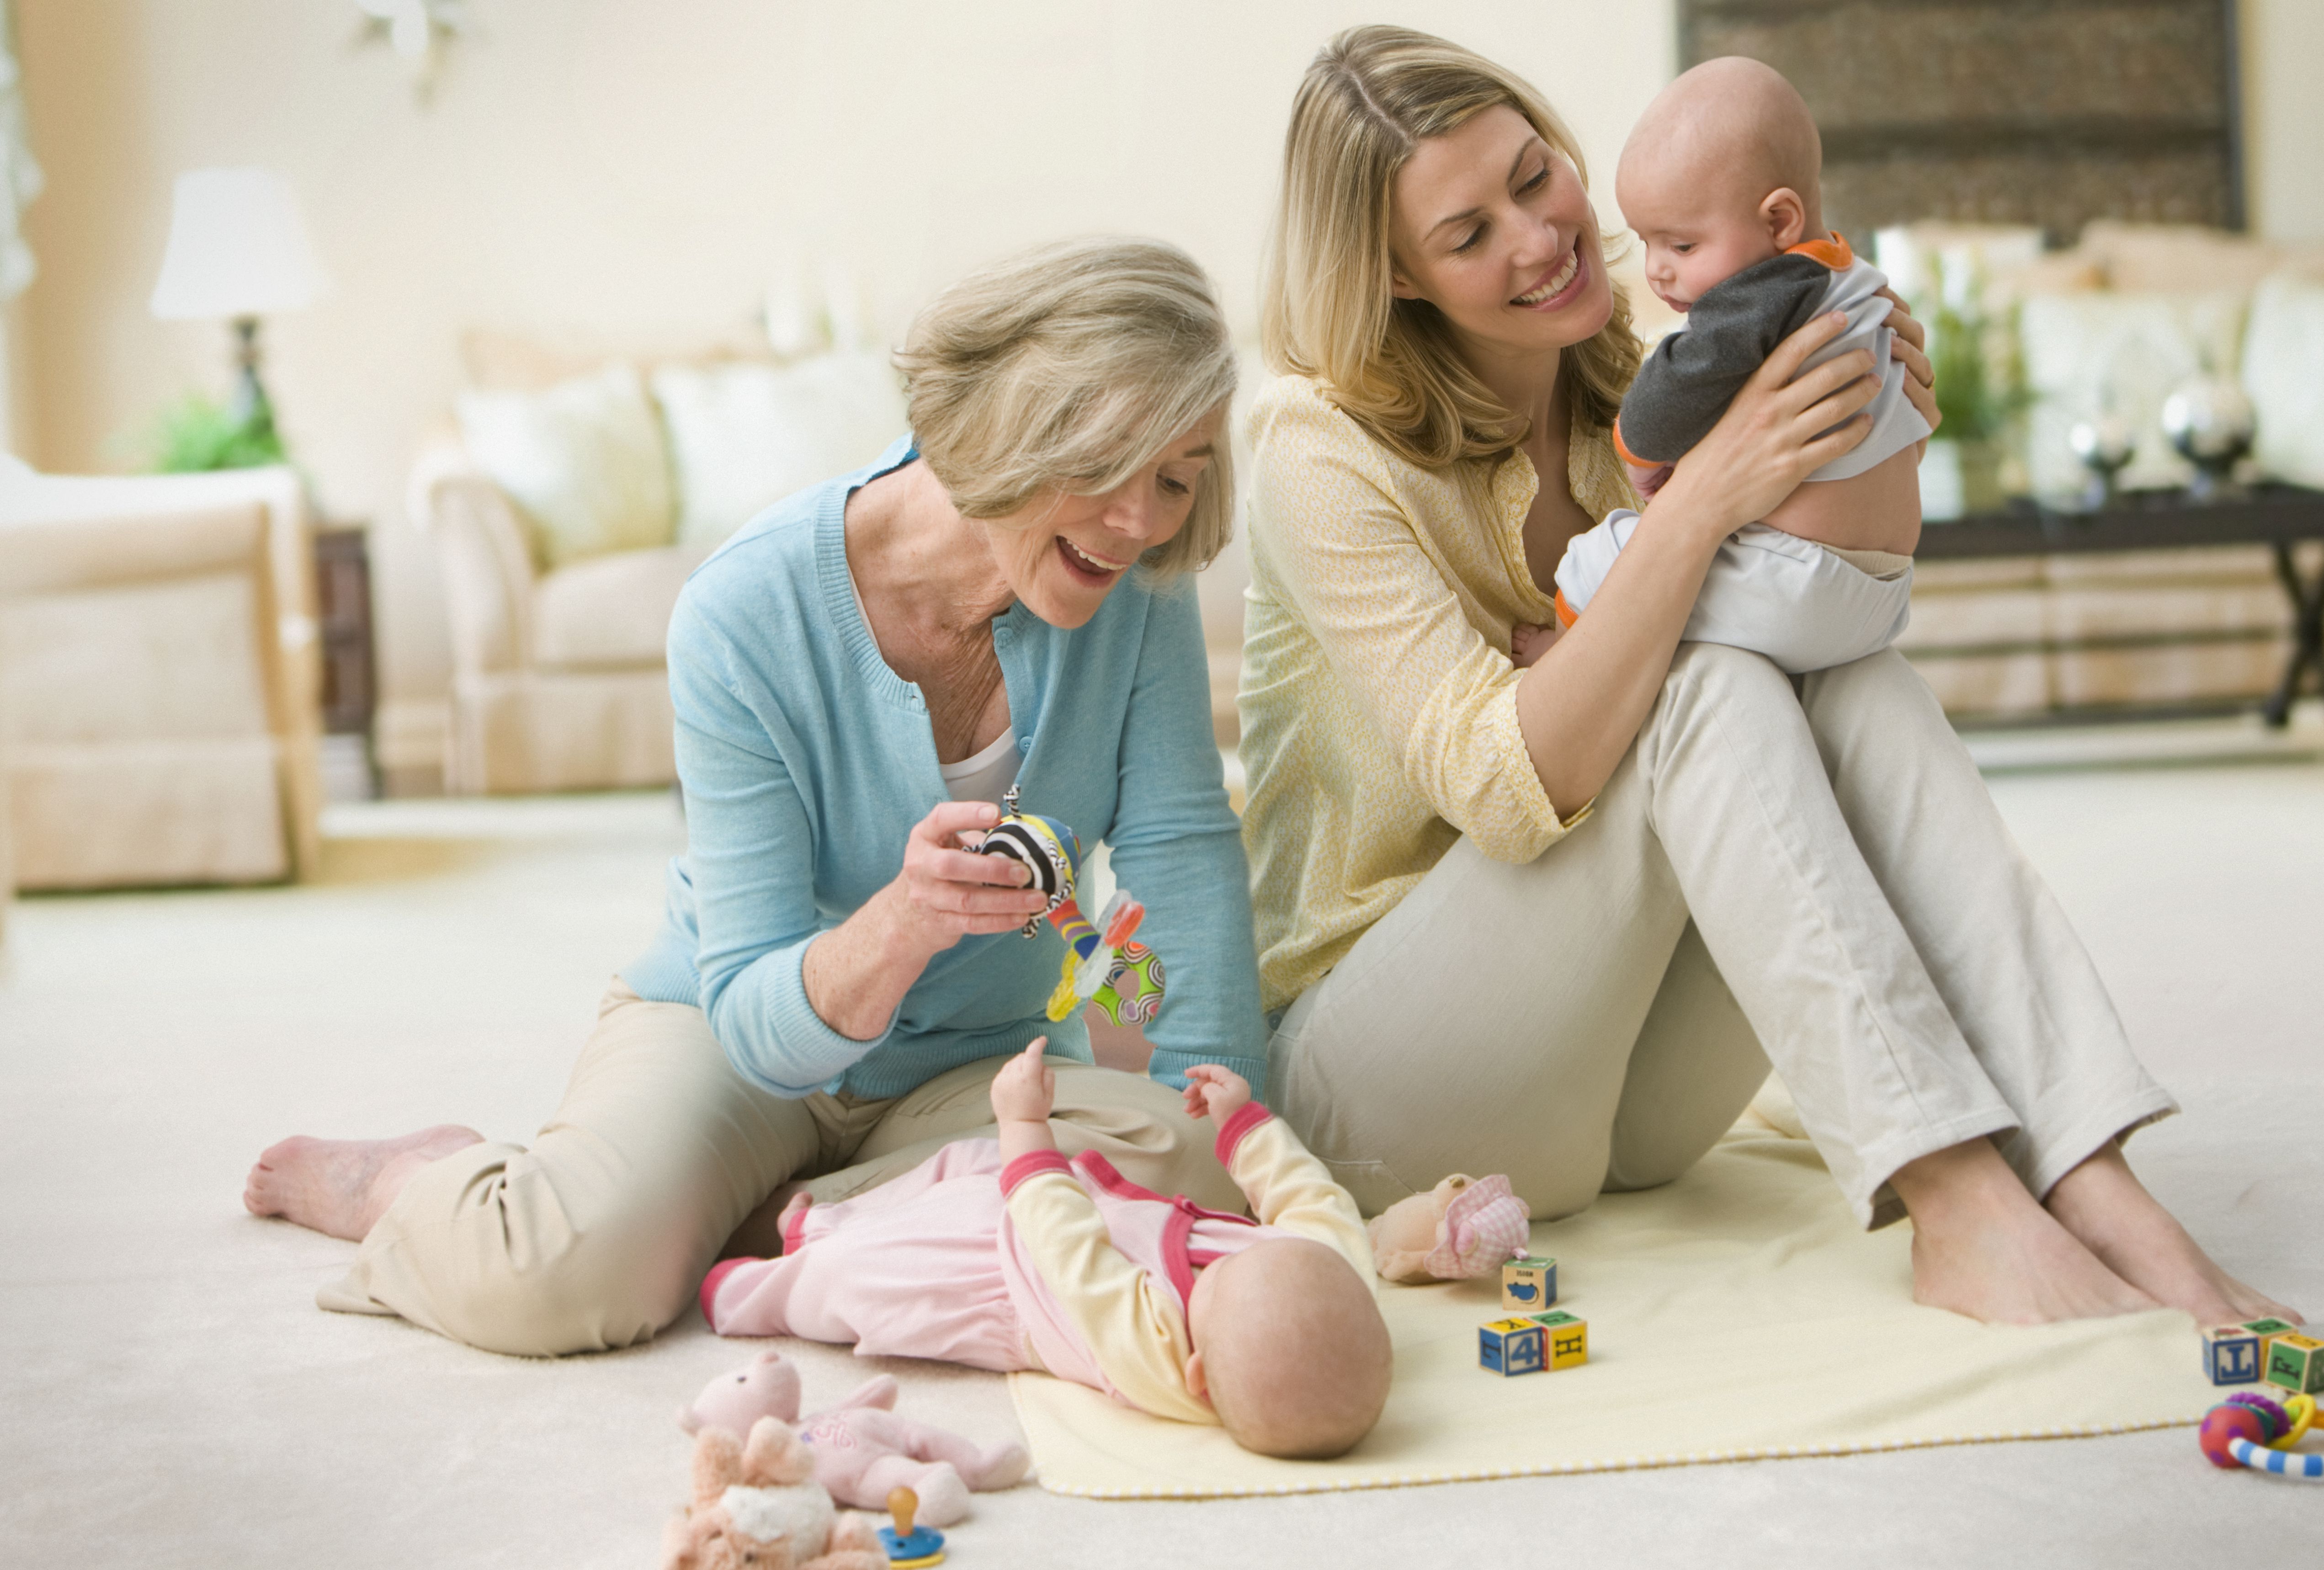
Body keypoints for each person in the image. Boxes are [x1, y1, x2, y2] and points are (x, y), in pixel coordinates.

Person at [1238, 25, 2295, 1328]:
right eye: (1466, 236)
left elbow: (1839, 600)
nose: (1536, 236)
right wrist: (1710, 500)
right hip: (1386, 1095)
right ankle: (1955, 1202)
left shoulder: (1645, 371)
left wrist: (1879, 430)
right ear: (1394, 279)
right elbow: (1504, 790)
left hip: (1624, 1110)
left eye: (1532, 174)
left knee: (1859, 684)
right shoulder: (1312, 441)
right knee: (1703, 680)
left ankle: (2087, 1169)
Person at [244, 238, 1271, 1357]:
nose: (1139, 519)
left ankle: (749, 1215)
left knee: (1175, 1166)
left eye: (1175, 477)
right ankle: (417, 1177)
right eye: (1110, 460)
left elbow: (1180, 854)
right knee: (553, 1279)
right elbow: (750, 1012)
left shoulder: (1134, 592)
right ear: (1016, 421)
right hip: (731, 1037)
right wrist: (900, 922)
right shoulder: (743, 608)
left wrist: (1221, 1132)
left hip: (976, 1060)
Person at [702, 1039, 1390, 1461]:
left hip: (1013, 1286)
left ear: (1199, 1376)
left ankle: (753, 1288)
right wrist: (1243, 1127)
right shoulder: (1329, 1274)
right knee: (964, 1166)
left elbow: (1067, 1250)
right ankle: (821, 1220)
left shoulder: (1150, 1349)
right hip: (1106, 1218)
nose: (1239, 1254)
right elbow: (1312, 1203)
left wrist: (1025, 1125)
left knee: (866, 1276)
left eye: (1217, 1279)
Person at [1521, 55, 1928, 676]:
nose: (1658, 268)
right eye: (1646, 241)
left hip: (1797, 579)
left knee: (1604, 556)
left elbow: (1682, 382)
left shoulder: (1764, 298)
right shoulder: (1855, 284)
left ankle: (1566, 661)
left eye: (1682, 245)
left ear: (1778, 222)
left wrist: (1638, 449)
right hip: (1881, 591)